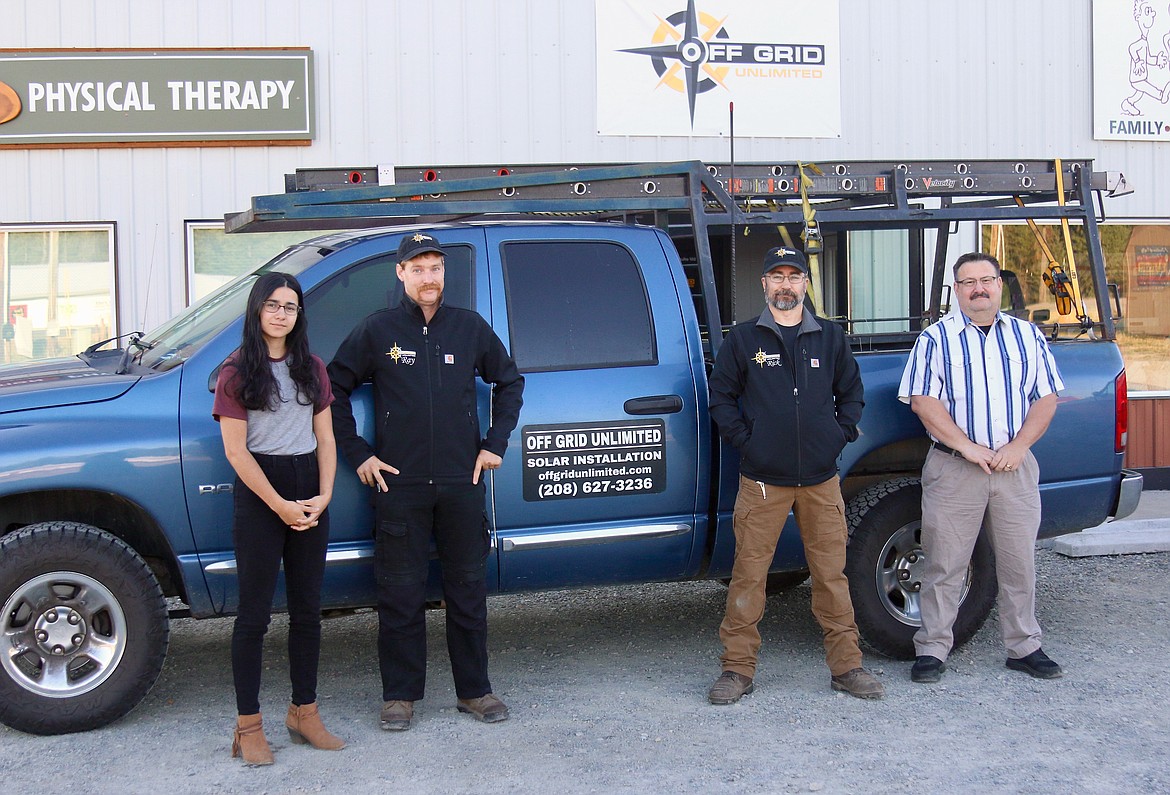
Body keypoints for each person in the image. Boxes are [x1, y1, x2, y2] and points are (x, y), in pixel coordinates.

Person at [328, 231, 524, 731]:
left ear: (444, 274)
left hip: (462, 481)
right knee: (399, 593)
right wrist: (359, 454)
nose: (428, 277)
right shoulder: (378, 331)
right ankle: (399, 696)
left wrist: (494, 444)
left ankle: (475, 691)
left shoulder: (469, 328)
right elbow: (331, 388)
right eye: (417, 269)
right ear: (401, 274)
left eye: (435, 268)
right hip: (399, 484)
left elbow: (510, 381)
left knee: (467, 590)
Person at [706, 246, 884, 704]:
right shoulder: (743, 340)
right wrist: (751, 443)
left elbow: (853, 393)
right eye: (777, 276)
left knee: (831, 575)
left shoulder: (830, 337)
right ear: (764, 284)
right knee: (749, 576)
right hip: (763, 482)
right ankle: (737, 669)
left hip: (822, 481)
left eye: (794, 276)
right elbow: (721, 400)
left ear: (806, 283)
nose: (785, 285)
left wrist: (837, 435)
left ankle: (846, 667)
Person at [898, 252, 1065, 684]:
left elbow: (1046, 398)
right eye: (968, 282)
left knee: (1018, 563)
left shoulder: (1027, 336)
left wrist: (1019, 446)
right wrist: (967, 447)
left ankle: (1024, 646)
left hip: (1014, 468)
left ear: (999, 284)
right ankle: (933, 649)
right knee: (944, 564)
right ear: (958, 291)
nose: (979, 289)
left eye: (986, 280)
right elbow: (922, 401)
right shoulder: (936, 339)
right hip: (955, 469)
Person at [213, 272, 344, 766]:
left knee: (309, 611)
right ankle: (248, 726)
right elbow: (235, 451)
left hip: (308, 485)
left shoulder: (311, 367)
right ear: (256, 310)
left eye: (290, 307)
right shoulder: (236, 373)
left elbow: (326, 437)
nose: (281, 314)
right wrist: (279, 506)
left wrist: (324, 492)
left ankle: (303, 712)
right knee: (253, 616)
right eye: (272, 305)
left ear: (298, 315)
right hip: (261, 493)